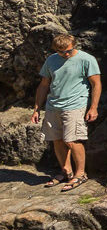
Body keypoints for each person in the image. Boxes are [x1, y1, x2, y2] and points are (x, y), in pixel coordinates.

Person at [29, 33, 101, 192]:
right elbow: (43, 85)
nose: (66, 54)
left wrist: (93, 107)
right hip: (53, 106)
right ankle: (66, 171)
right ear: (56, 49)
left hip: (75, 105)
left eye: (69, 51)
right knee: (57, 140)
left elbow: (96, 84)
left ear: (74, 45)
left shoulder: (86, 59)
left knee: (73, 140)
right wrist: (36, 109)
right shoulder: (51, 60)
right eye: (61, 52)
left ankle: (80, 174)